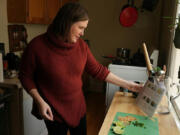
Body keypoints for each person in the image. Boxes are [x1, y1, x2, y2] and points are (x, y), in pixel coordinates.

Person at [19, 2, 143, 135]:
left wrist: (129, 85)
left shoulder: (81, 46)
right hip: (52, 111)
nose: (83, 33)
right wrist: (39, 101)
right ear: (67, 23)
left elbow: (98, 71)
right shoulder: (37, 46)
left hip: (78, 109)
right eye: (80, 27)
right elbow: (25, 76)